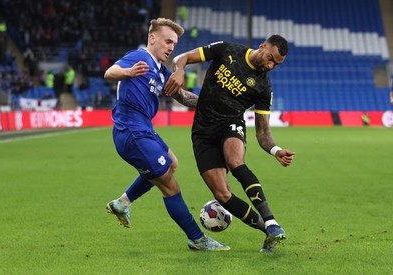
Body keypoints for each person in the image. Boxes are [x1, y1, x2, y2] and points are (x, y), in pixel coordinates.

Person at [103, 18, 229, 252]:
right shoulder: (139, 57)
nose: (171, 47)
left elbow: (182, 97)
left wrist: (214, 104)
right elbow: (110, 72)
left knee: (172, 163)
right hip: (132, 132)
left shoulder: (160, 71)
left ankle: (122, 203)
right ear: (152, 38)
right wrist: (128, 72)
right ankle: (197, 239)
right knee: (170, 186)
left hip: (144, 130)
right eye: (167, 41)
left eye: (174, 43)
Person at [164, 35, 296, 253]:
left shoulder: (263, 87)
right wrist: (178, 71)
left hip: (230, 123)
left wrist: (275, 150)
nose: (270, 65)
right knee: (222, 195)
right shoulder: (227, 50)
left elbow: (263, 132)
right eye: (270, 58)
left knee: (235, 161)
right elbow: (182, 57)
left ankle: (271, 221)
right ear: (262, 46)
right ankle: (269, 232)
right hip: (202, 131)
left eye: (276, 64)